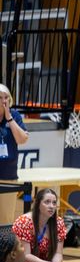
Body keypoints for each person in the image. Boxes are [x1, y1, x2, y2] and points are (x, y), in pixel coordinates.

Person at [0, 83, 30, 225]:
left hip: (8, 175)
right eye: (0, 98)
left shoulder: (15, 116)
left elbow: (22, 139)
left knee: (5, 219)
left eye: (6, 97)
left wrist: (9, 118)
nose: (3, 101)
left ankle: (8, 246)